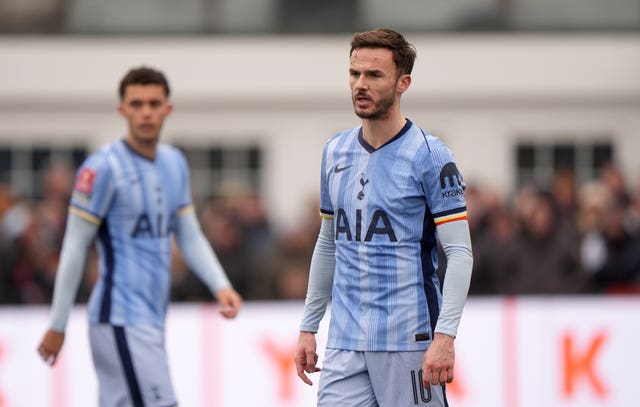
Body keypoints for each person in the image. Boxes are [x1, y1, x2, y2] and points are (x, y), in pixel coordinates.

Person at [37, 66, 242, 407]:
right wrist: (58, 324)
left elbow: (189, 234)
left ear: (167, 109)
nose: (145, 112)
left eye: (153, 103)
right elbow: (74, 246)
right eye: (136, 104)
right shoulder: (101, 168)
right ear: (122, 110)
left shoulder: (174, 163)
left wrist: (220, 284)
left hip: (151, 317)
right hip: (120, 317)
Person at [294, 29, 473, 406]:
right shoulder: (334, 152)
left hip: (409, 341)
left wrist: (445, 336)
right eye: (354, 74)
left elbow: (459, 253)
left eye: (374, 75)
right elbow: (328, 243)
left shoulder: (431, 155)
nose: (360, 84)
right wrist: (309, 327)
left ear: (402, 83)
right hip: (344, 343)